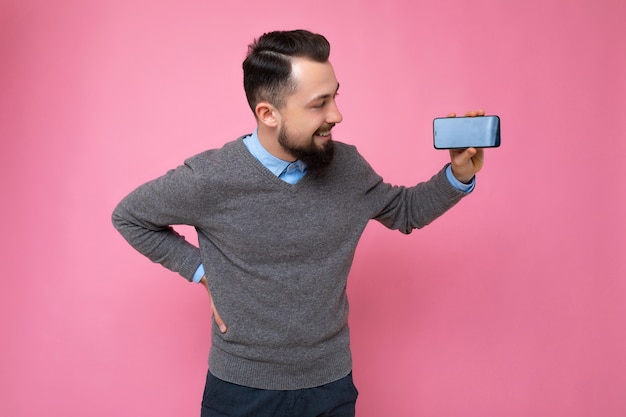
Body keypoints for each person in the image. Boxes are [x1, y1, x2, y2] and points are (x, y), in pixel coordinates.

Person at [112, 29, 485, 417]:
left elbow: (405, 211)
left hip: (330, 387)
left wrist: (457, 175)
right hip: (240, 391)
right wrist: (203, 272)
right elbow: (130, 216)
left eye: (335, 96)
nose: (336, 115)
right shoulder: (210, 179)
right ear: (268, 113)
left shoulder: (347, 168)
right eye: (319, 104)